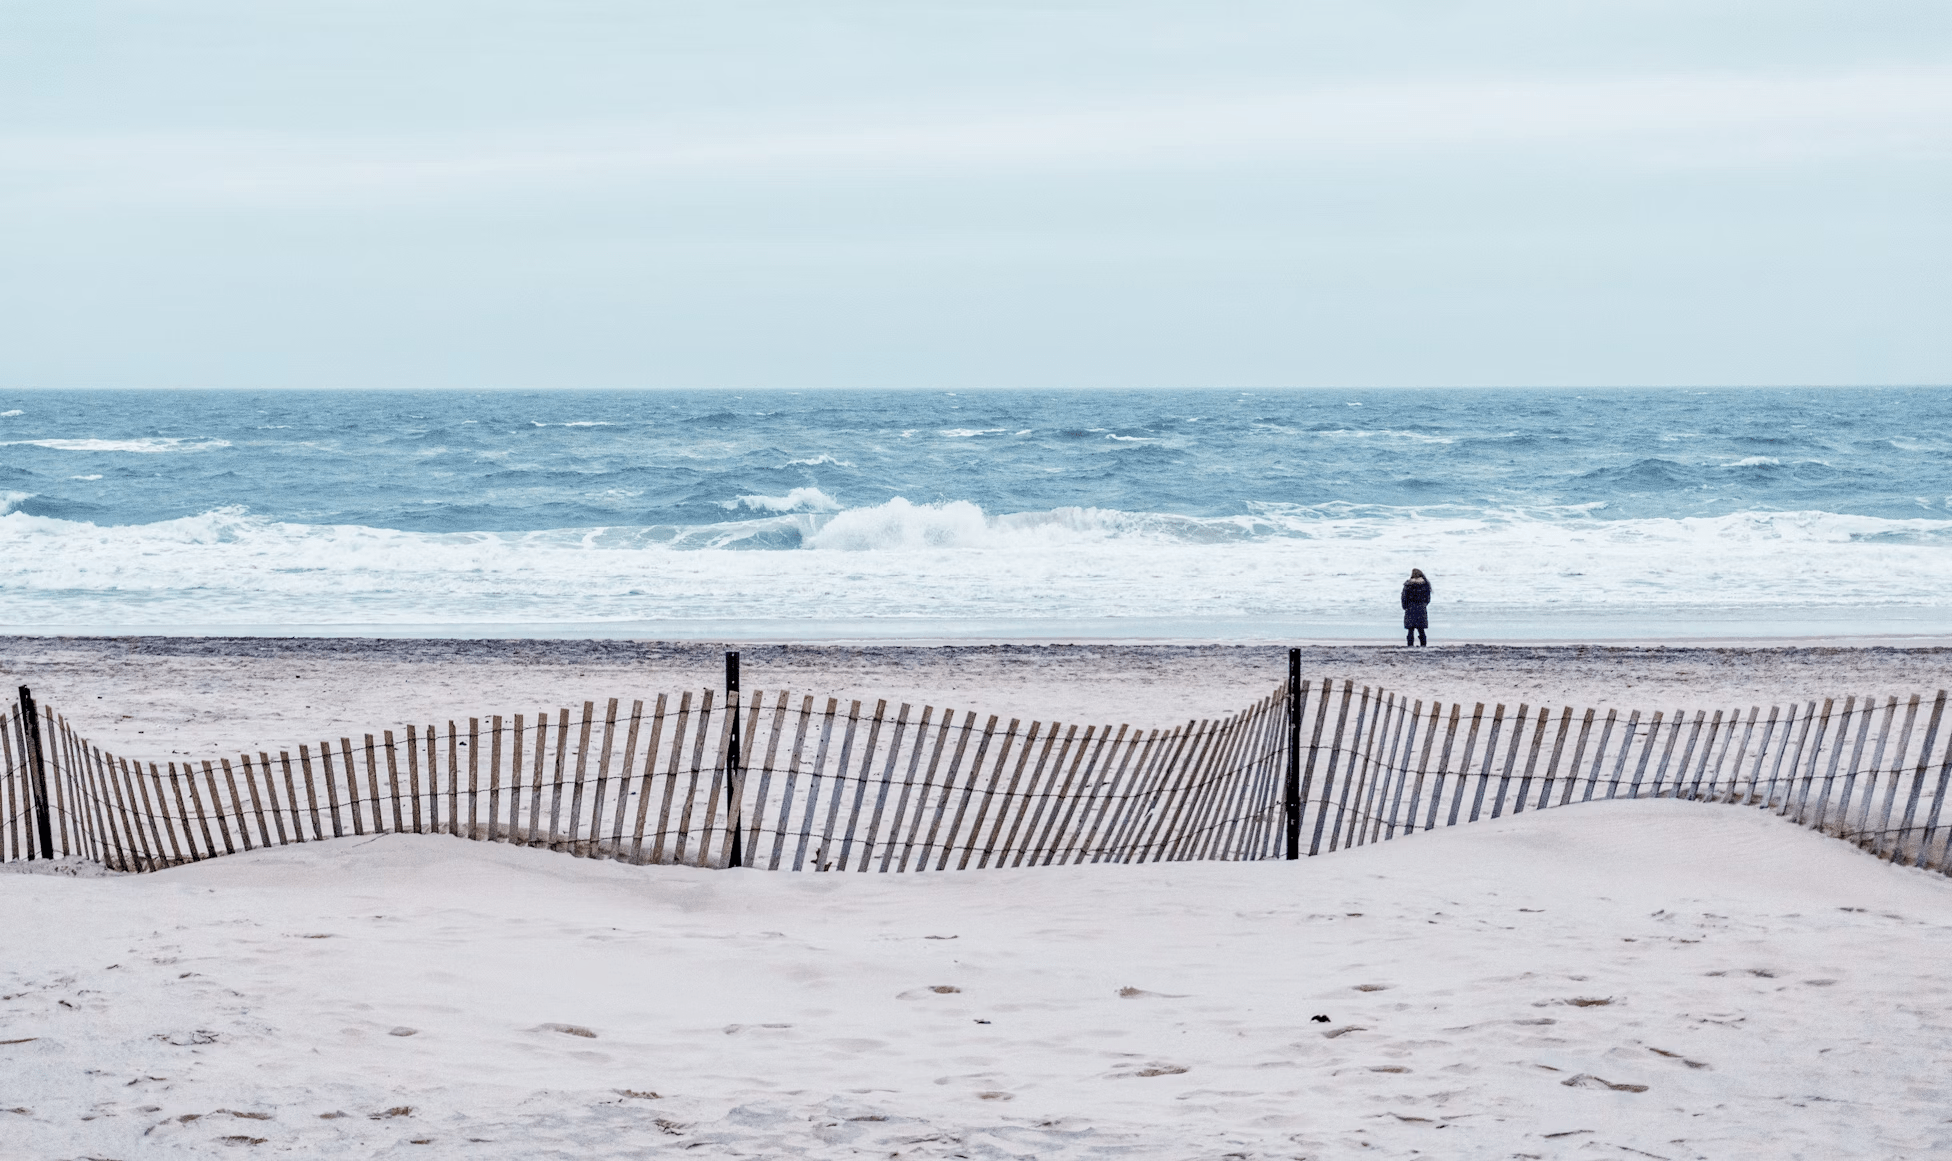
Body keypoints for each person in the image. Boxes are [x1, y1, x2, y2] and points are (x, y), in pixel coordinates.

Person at [1401, 568, 1431, 647]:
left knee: (1410, 630)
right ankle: (1423, 646)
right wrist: (1423, 605)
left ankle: (1410, 646)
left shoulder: (1408, 585)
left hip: (1410, 608)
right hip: (1421, 609)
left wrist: (1405, 607)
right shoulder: (1425, 585)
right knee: (1421, 630)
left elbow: (1404, 598)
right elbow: (1428, 599)